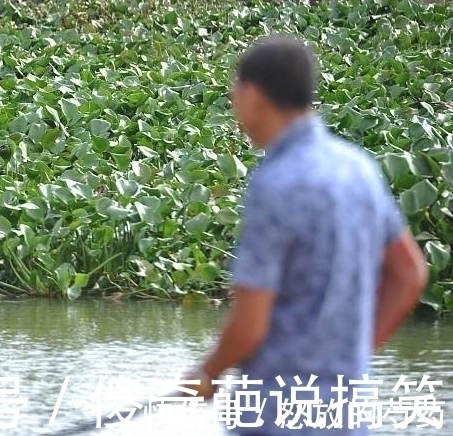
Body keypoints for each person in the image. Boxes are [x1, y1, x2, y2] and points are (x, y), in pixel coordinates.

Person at [184, 35, 429, 435]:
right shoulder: (358, 168)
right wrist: (355, 355)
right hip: (348, 411)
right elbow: (409, 274)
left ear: (251, 95)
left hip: (275, 413)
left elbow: (250, 325)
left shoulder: (274, 184)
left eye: (234, 94)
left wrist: (208, 373)